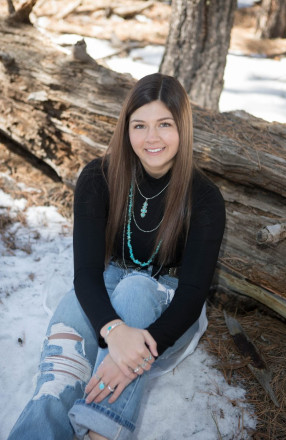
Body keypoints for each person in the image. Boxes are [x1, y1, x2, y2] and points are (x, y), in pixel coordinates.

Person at [8, 73, 225, 440]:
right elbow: (87, 274)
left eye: (164, 125)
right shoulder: (98, 177)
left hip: (166, 308)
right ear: (126, 128)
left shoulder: (204, 198)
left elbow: (191, 296)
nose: (151, 138)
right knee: (60, 372)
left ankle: (101, 433)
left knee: (138, 289)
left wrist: (134, 356)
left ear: (182, 128)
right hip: (106, 281)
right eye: (139, 125)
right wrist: (115, 330)